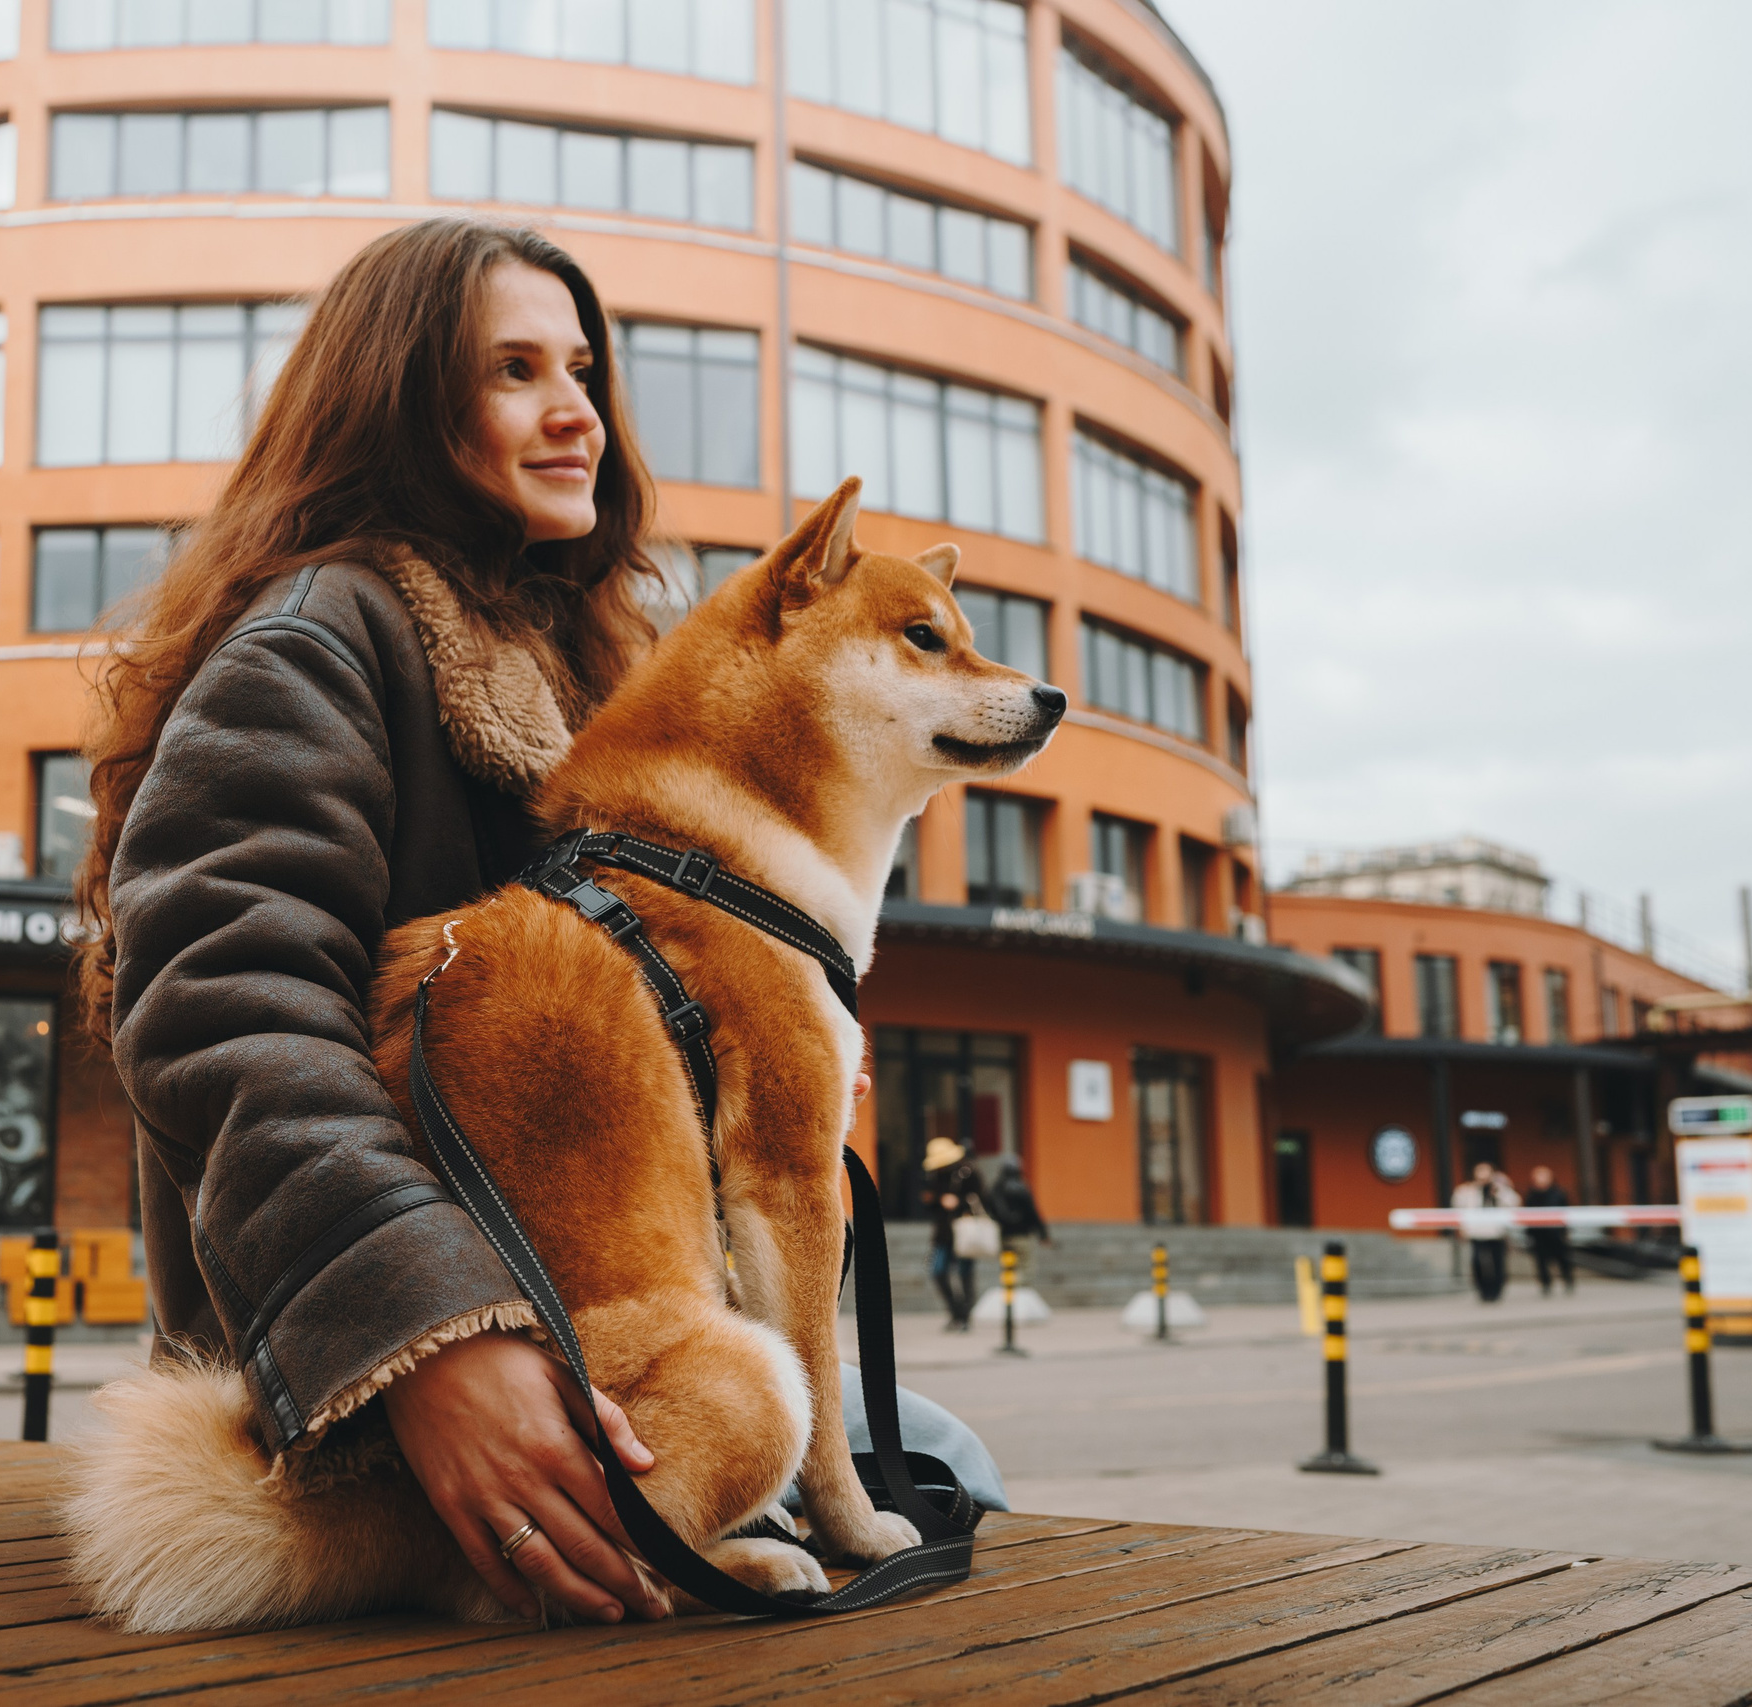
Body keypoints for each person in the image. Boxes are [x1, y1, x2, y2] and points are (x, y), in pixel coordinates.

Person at [77, 219, 1003, 1628]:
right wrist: (431, 1341)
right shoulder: (316, 642)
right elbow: (224, 1002)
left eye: (583, 365)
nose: (576, 407)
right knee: (915, 1454)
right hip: (364, 1380)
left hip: (584, 1307)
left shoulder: (584, 670)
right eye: (514, 370)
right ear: (397, 398)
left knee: (932, 1451)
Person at [923, 1137, 987, 1330]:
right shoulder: (937, 1176)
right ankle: (956, 1312)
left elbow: (982, 1199)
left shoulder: (968, 1172)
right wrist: (934, 1200)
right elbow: (934, 1204)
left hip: (965, 1230)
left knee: (965, 1273)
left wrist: (958, 1201)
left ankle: (965, 1317)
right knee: (938, 1271)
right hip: (943, 1233)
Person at [1451, 1160, 1520, 1303]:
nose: (1483, 1175)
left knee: (1498, 1263)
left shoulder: (1499, 1189)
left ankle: (1496, 1291)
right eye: (1480, 1171)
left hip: (1496, 1232)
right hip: (1477, 1232)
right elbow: (1457, 1206)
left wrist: (1499, 1191)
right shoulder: (1467, 1190)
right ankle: (1483, 1290)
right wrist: (1463, 1227)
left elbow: (1515, 1202)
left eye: (1486, 1171)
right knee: (1477, 1262)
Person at [982, 1155, 1053, 1284]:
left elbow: (989, 1210)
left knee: (1008, 1267)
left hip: (1003, 1235)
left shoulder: (995, 1188)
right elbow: (1032, 1212)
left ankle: (1008, 1290)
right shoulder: (1021, 1188)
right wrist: (1042, 1233)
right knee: (1026, 1268)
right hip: (1022, 1235)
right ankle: (1017, 1289)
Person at [1522, 1165, 1575, 1296]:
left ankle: (1568, 1280)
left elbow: (1565, 1213)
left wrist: (1565, 1231)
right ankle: (1546, 1284)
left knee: (1562, 1259)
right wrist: (1528, 1233)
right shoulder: (1531, 1195)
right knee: (1541, 1261)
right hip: (1538, 1234)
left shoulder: (1559, 1193)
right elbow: (1527, 1214)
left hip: (1556, 1233)